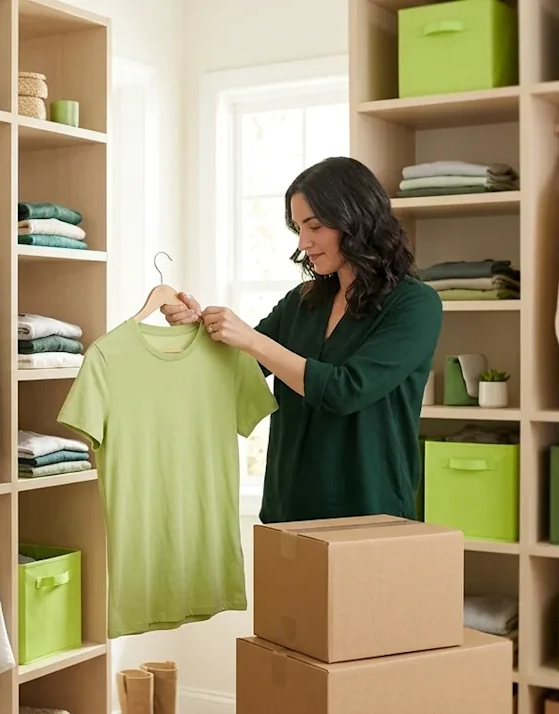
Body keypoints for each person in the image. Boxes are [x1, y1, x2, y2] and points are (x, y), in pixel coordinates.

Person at [163, 157, 442, 523]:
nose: (303, 242)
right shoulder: (303, 301)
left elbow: (347, 390)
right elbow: (236, 375)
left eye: (314, 226)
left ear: (355, 218)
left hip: (369, 510)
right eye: (297, 227)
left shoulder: (415, 305)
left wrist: (250, 339)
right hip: (288, 507)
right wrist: (197, 329)